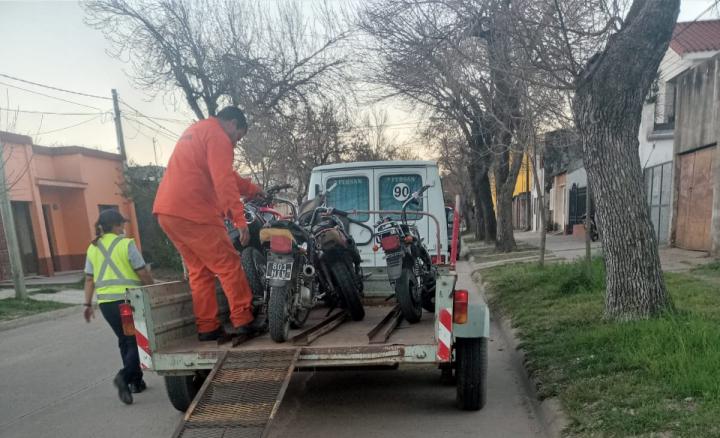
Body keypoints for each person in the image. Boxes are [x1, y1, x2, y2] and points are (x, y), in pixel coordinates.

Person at [153, 106, 264, 342]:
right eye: (239, 136)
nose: (235, 142)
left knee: (200, 271)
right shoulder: (218, 136)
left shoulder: (198, 130)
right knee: (229, 263)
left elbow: (226, 174)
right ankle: (244, 320)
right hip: (194, 211)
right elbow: (223, 180)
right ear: (233, 124)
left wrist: (252, 190)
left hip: (167, 212)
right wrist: (239, 220)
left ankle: (207, 326)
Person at [83, 209, 154, 405]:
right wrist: (154, 290)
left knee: (125, 340)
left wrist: (87, 304)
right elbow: (142, 273)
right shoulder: (126, 244)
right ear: (115, 225)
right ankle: (124, 377)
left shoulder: (93, 247)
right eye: (122, 223)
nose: (124, 227)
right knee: (135, 342)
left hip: (107, 304)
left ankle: (135, 382)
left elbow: (89, 280)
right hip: (127, 303)